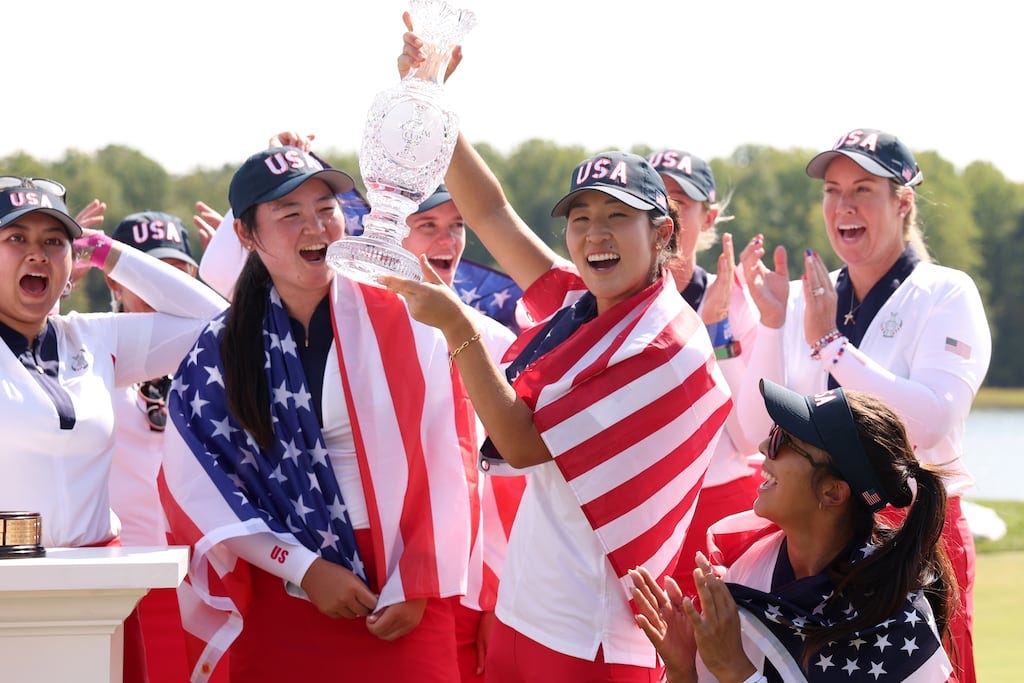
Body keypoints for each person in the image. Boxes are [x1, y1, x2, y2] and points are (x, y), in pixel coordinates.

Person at [388, 29, 732, 681]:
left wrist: (456, 326)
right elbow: (489, 211)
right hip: (528, 611)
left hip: (592, 638)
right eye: (580, 218)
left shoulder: (660, 339)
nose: (594, 233)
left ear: (662, 233)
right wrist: (431, 102)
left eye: (616, 217)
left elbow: (519, 442)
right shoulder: (590, 305)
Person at [159, 146, 474, 683]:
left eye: (327, 208)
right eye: (290, 214)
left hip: (400, 588)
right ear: (246, 235)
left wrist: (416, 581)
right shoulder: (219, 347)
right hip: (283, 589)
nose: (317, 228)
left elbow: (452, 453)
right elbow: (200, 484)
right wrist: (304, 570)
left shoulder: (404, 315)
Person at [734, 128, 990, 682]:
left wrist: (832, 347)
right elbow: (755, 431)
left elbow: (932, 420)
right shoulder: (802, 294)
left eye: (863, 189)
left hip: (916, 532)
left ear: (903, 203)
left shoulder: (946, 292)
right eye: (832, 190)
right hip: (818, 536)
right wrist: (774, 326)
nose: (844, 205)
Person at [0, 176, 227, 683]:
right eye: (16, 239)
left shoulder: (94, 337)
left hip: (97, 595)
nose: (37, 254)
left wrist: (110, 253)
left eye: (54, 242)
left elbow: (217, 322)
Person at [630, 379, 956, 682]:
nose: (762, 446)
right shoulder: (743, 570)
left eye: (782, 441)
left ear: (832, 493)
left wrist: (736, 671)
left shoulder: (896, 618)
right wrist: (686, 671)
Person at [647, 149, 762, 596]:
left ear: (710, 217)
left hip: (721, 502)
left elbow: (749, 436)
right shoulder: (609, 296)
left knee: (718, 656)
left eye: (681, 201)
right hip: (639, 505)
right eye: (654, 197)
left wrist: (713, 329)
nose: (666, 213)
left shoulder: (737, 301)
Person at [105, 210, 209, 683]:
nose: (156, 293)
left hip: (200, 581)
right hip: (117, 579)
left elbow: (221, 316)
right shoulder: (83, 351)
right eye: (145, 274)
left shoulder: (217, 361)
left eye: (173, 274)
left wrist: (241, 268)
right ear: (117, 285)